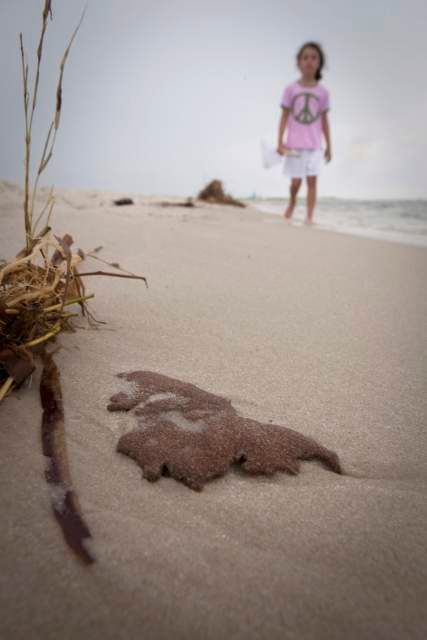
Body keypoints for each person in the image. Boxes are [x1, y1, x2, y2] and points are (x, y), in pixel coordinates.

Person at [277, 42, 332, 224]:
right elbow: (284, 117)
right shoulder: (291, 90)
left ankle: (309, 217)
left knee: (312, 181)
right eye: (305, 57)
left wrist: (329, 146)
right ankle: (292, 202)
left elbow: (324, 121)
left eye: (314, 57)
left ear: (319, 63)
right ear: (299, 62)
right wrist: (280, 142)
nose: (309, 61)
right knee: (295, 183)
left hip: (315, 145)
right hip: (294, 145)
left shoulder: (323, 92)